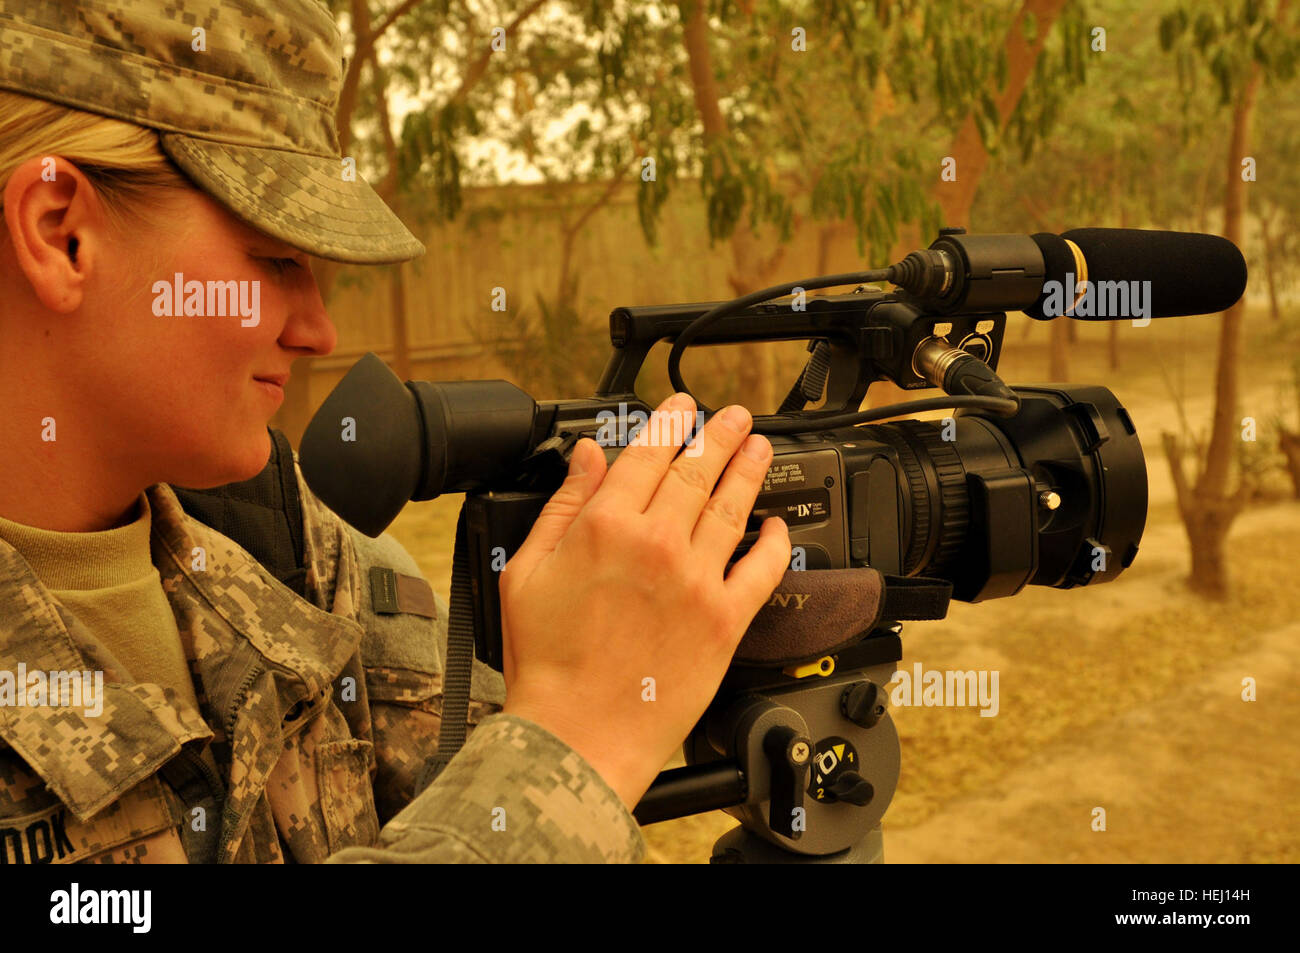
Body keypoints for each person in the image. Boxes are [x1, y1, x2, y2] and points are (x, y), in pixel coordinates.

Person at [0, 0, 790, 863]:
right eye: (274, 260)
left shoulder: (288, 551)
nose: (318, 331)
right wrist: (573, 741)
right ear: (61, 233)